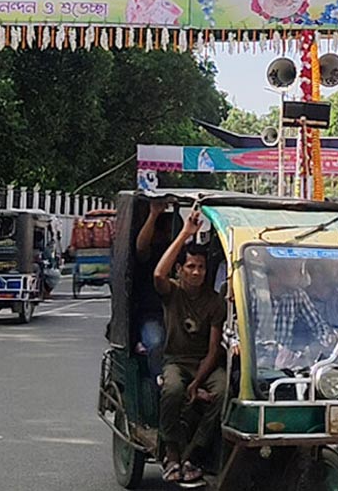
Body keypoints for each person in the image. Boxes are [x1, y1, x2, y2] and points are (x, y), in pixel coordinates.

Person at [153, 210, 226, 485]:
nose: (196, 272)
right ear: (181, 269)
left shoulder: (215, 302)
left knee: (224, 393)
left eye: (201, 267)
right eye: (191, 266)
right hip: (175, 361)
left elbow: (213, 349)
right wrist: (186, 234)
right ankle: (171, 454)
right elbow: (158, 273)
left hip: (204, 364)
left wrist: (197, 382)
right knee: (171, 390)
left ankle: (193, 455)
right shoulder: (172, 292)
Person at [134, 201, 172, 378]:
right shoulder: (150, 255)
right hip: (152, 314)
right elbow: (141, 248)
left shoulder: (183, 256)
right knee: (156, 342)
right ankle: (158, 388)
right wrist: (153, 214)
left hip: (179, 316)